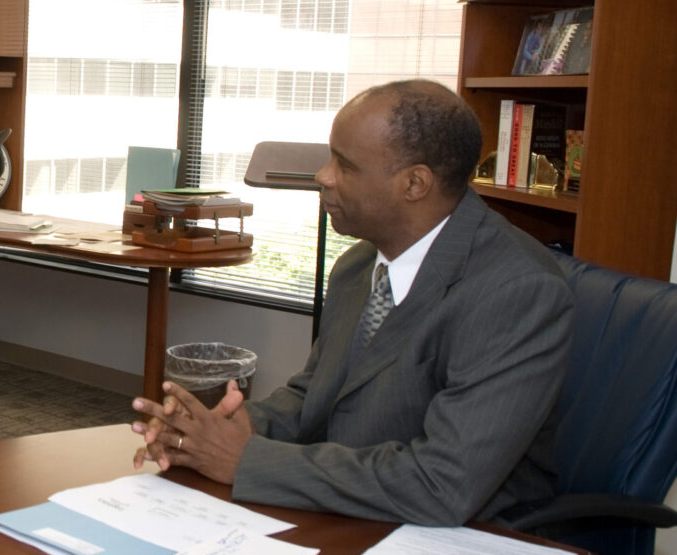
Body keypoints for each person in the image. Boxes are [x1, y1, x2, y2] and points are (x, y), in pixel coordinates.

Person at [131, 80, 573, 526]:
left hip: (469, 543)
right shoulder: (359, 264)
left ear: (415, 183)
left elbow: (442, 483)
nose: (323, 176)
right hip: (355, 511)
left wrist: (246, 460)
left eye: (344, 164)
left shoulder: (517, 292)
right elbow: (314, 396)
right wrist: (219, 430)